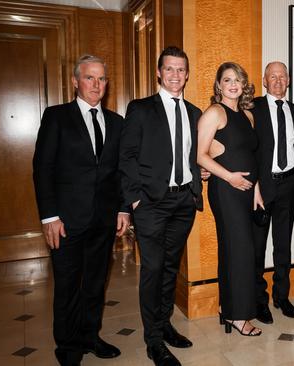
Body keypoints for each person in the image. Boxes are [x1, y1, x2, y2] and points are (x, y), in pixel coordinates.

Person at [33, 54, 129, 366]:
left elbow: (120, 172)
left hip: (103, 221)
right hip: (66, 221)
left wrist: (123, 209)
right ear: (76, 81)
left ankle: (90, 336)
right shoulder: (57, 116)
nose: (96, 84)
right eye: (89, 77)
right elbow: (42, 169)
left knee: (95, 284)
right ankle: (68, 346)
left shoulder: (116, 123)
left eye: (101, 78)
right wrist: (49, 216)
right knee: (67, 286)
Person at [119, 46, 203, 366]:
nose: (175, 75)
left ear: (187, 73)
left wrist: (199, 175)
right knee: (152, 270)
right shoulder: (141, 109)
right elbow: (126, 157)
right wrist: (135, 199)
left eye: (181, 69)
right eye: (169, 69)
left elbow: (193, 155)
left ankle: (164, 324)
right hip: (151, 203)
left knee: (171, 266)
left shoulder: (194, 113)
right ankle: (153, 340)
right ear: (159, 72)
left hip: (183, 200)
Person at [197, 62, 262, 337]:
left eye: (237, 79)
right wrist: (229, 177)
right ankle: (238, 316)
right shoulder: (214, 112)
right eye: (227, 80)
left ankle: (228, 308)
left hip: (247, 191)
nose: (233, 84)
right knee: (240, 251)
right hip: (226, 191)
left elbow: (251, 155)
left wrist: (255, 187)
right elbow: (200, 155)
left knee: (236, 251)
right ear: (219, 85)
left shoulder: (248, 116)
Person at [251, 61, 294, 322]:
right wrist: (254, 186)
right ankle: (259, 301)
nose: (278, 80)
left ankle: (281, 297)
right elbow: (248, 151)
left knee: (283, 245)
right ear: (264, 80)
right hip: (262, 186)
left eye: (282, 76)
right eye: (273, 76)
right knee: (257, 247)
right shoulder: (252, 108)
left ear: (289, 80)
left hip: (289, 186)